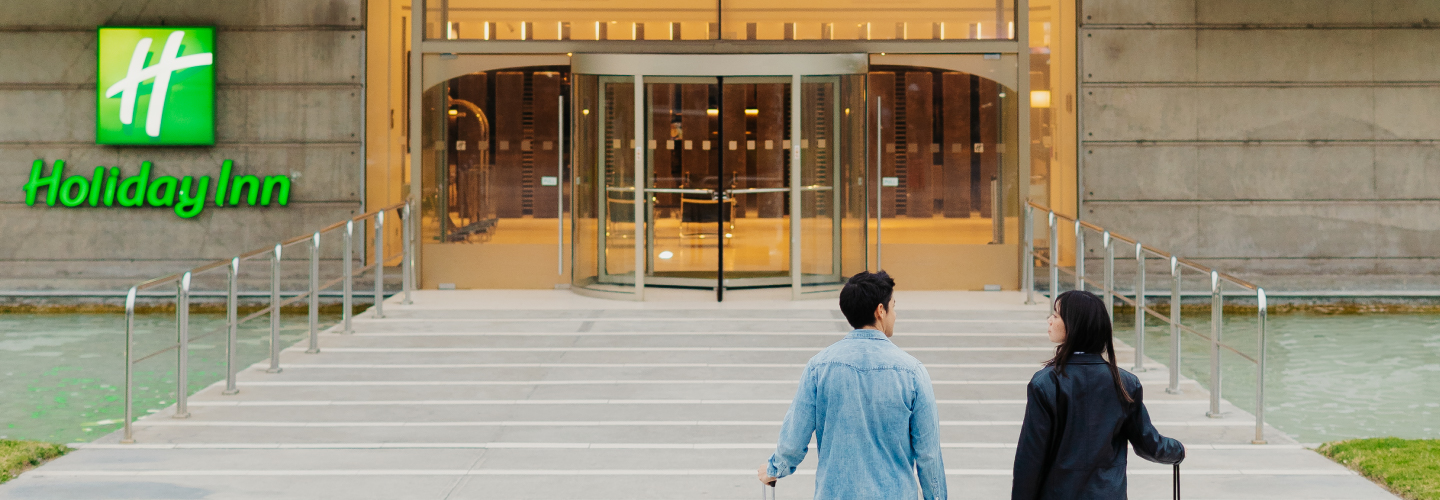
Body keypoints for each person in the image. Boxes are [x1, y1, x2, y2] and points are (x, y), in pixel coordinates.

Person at [757, 271, 947, 500]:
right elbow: (928, 455)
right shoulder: (913, 372)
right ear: (880, 311)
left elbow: (794, 440)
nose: (895, 315)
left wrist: (773, 469)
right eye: (893, 307)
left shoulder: (819, 367)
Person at [1012, 290, 1185, 500]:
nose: (1049, 320)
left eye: (1056, 315)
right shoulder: (1125, 383)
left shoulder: (1046, 383)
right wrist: (1177, 451)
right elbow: (1149, 444)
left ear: (1074, 325)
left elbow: (1030, 459)